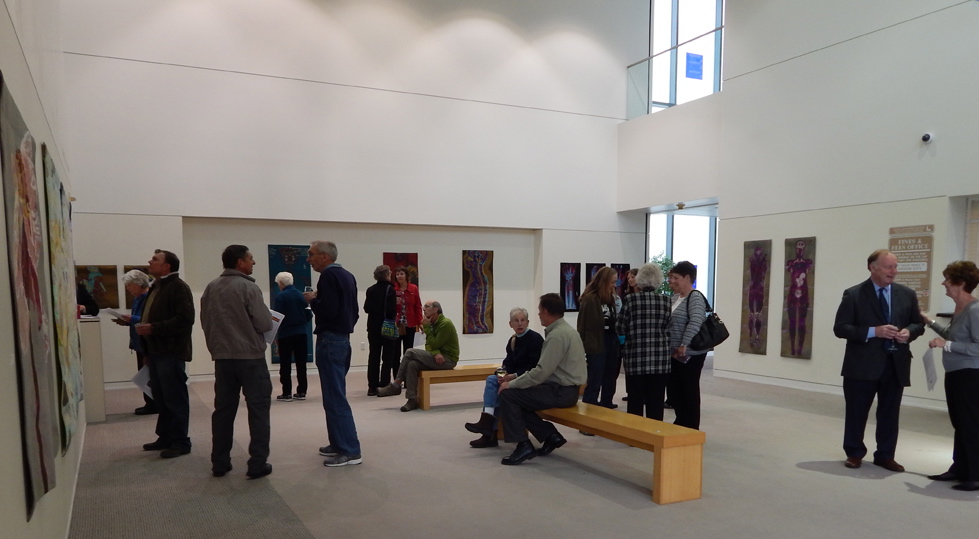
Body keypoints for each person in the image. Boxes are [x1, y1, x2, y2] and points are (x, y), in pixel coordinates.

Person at [833, 249, 924, 472]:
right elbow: (841, 328)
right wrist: (874, 331)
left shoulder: (907, 294)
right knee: (857, 411)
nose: (894, 271)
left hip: (895, 363)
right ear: (873, 268)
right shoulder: (854, 294)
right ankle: (854, 452)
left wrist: (908, 333)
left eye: (895, 266)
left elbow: (918, 323)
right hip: (861, 365)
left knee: (890, 413)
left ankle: (885, 455)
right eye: (888, 267)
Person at [201, 245, 274, 479]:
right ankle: (257, 463)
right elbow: (264, 323)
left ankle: (220, 462)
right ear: (240, 262)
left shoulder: (211, 288)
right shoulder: (248, 287)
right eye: (250, 259)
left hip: (223, 359)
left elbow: (205, 321)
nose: (254, 262)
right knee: (258, 409)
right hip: (250, 358)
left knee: (223, 410)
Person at [496, 293, 587, 465]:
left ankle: (523, 445)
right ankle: (550, 436)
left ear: (545, 312)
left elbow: (541, 372)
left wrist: (511, 384)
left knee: (508, 395)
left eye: (539, 311)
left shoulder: (557, 336)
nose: (538, 314)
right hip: (565, 389)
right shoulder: (566, 330)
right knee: (519, 398)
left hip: (561, 391)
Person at [920, 261, 979, 490]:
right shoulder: (960, 308)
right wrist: (930, 322)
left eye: (947, 279)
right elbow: (953, 336)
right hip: (956, 373)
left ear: (961, 283)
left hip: (970, 375)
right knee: (959, 422)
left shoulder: (975, 310)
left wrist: (946, 345)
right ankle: (959, 468)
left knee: (970, 423)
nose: (943, 283)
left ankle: (974, 474)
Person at [304, 241, 362, 467]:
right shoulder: (347, 275)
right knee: (333, 395)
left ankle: (350, 450)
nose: (308, 259)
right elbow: (354, 312)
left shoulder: (328, 276)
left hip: (330, 340)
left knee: (335, 397)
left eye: (311, 254)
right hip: (342, 339)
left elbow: (327, 310)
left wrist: (313, 300)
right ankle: (338, 443)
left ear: (325, 256)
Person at [136, 249, 195, 459]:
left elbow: (185, 320)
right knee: (161, 398)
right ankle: (166, 436)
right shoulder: (157, 286)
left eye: (155, 259)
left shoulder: (179, 287)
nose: (150, 261)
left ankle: (181, 441)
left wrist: (154, 328)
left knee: (175, 398)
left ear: (166, 266)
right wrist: (147, 351)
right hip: (156, 351)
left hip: (171, 352)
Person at [464, 307, 544, 448]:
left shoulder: (535, 339)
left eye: (522, 320)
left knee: (500, 390)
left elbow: (534, 367)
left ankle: (489, 431)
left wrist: (512, 376)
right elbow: (508, 363)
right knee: (493, 380)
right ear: (510, 324)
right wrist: (501, 376)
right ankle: (488, 427)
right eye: (516, 321)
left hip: (529, 380)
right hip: (514, 378)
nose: (520, 324)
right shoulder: (513, 340)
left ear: (528, 322)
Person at [377, 300, 460, 411]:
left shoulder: (445, 323)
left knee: (410, 352)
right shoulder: (431, 323)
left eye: (427, 306)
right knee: (412, 364)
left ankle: (396, 384)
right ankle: (412, 400)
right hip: (437, 357)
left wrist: (427, 328)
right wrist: (435, 352)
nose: (423, 309)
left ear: (436, 309)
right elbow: (428, 345)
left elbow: (435, 343)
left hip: (448, 359)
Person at [616, 263, 672, 420]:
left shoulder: (630, 300)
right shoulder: (666, 301)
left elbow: (620, 327)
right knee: (656, 400)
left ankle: (636, 432)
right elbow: (669, 327)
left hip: (636, 357)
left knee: (635, 400)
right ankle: (655, 431)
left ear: (640, 279)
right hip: (660, 359)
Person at [666, 261, 708, 430]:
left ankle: (691, 425)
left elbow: (696, 321)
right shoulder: (675, 297)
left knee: (688, 387)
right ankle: (681, 420)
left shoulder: (695, 297)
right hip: (673, 351)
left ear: (687, 278)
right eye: (671, 277)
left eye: (676, 277)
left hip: (689, 352)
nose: (672, 281)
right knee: (675, 388)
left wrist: (684, 343)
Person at [112, 270, 156, 415]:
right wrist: (126, 322)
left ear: (138, 284)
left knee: (149, 376)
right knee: (144, 374)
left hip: (147, 343)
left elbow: (148, 319)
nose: (128, 289)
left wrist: (132, 319)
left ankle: (153, 404)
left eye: (129, 285)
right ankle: (149, 403)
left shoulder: (148, 297)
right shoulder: (137, 298)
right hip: (138, 343)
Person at [577, 266, 619, 412]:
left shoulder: (610, 298)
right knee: (595, 379)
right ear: (604, 281)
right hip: (596, 343)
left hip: (611, 341)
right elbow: (582, 325)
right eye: (612, 282)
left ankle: (606, 405)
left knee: (610, 377)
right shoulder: (590, 299)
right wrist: (583, 346)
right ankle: (590, 409)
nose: (614, 285)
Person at [273, 271, 312, 402]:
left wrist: (275, 334)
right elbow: (309, 315)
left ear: (281, 283)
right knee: (301, 363)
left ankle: (287, 393)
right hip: (301, 333)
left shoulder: (281, 296)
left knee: (285, 364)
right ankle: (302, 391)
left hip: (286, 334)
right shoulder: (302, 296)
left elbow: (277, 317)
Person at [363, 265, 400, 396]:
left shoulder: (370, 290)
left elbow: (366, 308)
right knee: (387, 357)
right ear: (387, 275)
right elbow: (391, 310)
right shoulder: (391, 289)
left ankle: (372, 386)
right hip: (387, 326)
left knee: (374, 356)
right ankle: (384, 384)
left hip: (373, 326)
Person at [785, 240, 814, 356]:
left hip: (803, 294)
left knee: (802, 323)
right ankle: (792, 347)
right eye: (798, 248)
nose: (800, 250)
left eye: (802, 248)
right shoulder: (791, 263)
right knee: (792, 322)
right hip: (792, 294)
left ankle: (800, 348)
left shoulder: (807, 263)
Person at [393, 266, 423, 354]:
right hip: (396, 323)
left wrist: (420, 322)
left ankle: (407, 364)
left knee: (408, 350)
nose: (399, 276)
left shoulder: (413, 288)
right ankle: (396, 364)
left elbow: (418, 306)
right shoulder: (393, 288)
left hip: (410, 323)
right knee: (395, 351)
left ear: (406, 275)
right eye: (397, 274)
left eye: (401, 274)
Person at [747, 246, 768, 349]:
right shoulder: (754, 262)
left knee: (757, 315)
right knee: (752, 315)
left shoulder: (761, 262)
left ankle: (756, 337)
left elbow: (762, 273)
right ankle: (752, 337)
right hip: (755, 288)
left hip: (758, 289)